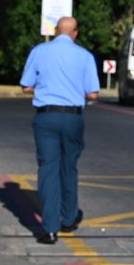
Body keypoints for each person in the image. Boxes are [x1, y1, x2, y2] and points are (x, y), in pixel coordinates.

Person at [20, 16, 100, 244]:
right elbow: (93, 93)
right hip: (72, 117)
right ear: (75, 33)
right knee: (69, 167)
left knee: (48, 169)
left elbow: (26, 86)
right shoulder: (85, 56)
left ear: (56, 31)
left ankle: (49, 228)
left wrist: (45, 88)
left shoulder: (39, 51)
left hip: (46, 116)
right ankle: (69, 217)